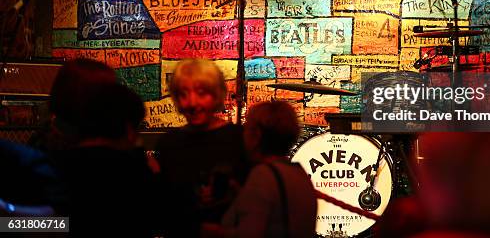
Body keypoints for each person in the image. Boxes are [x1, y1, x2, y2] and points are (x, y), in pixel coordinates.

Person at [53, 82, 163, 237]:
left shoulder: (58, 166)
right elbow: (160, 219)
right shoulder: (135, 170)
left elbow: (24, 224)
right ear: (129, 129)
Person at [155, 58, 249, 237]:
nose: (192, 103)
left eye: (201, 93)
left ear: (217, 95)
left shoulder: (240, 139)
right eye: (183, 94)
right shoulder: (169, 144)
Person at [217, 101, 317, 238]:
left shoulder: (263, 175)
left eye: (247, 127)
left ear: (256, 135)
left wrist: (209, 231)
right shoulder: (300, 175)